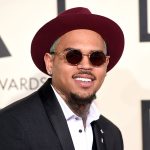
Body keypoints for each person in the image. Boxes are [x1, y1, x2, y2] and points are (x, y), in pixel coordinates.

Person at [0, 7, 124, 150]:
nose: (85, 65)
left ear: (106, 65)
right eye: (73, 56)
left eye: (96, 58)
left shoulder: (111, 134)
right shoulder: (11, 125)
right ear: (50, 63)